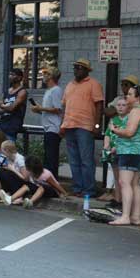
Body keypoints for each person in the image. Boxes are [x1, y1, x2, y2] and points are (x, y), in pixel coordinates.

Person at [60, 59, 104, 198]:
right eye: (75, 68)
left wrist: (97, 125)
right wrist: (62, 125)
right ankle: (77, 188)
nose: (77, 70)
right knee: (74, 160)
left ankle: (89, 190)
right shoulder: (69, 85)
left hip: (85, 126)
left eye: (80, 68)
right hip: (69, 125)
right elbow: (64, 106)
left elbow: (99, 105)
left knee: (86, 160)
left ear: (86, 71)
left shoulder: (94, 84)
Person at [108, 84, 140, 226]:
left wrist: (115, 130)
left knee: (124, 183)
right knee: (134, 184)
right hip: (138, 151)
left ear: (138, 97)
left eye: (131, 94)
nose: (127, 96)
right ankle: (135, 217)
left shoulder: (135, 111)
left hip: (130, 151)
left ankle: (125, 216)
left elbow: (129, 132)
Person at [30, 68, 63, 177]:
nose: (43, 76)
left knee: (51, 158)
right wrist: (39, 110)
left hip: (54, 127)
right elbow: (49, 111)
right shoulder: (48, 91)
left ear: (51, 76)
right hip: (47, 127)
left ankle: (53, 181)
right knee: (48, 157)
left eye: (46, 74)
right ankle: (48, 180)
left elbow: (58, 109)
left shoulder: (56, 90)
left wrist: (42, 108)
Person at [98, 97, 128, 204]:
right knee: (116, 177)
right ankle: (117, 199)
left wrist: (117, 147)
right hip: (112, 152)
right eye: (118, 105)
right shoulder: (113, 119)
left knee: (123, 179)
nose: (120, 107)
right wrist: (106, 144)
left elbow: (127, 135)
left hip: (123, 151)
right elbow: (107, 134)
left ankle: (124, 201)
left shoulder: (128, 120)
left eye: (123, 105)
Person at [0, 68, 27, 141]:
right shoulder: (7, 91)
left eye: (13, 75)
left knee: (7, 151)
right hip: (2, 125)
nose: (10, 76)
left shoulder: (22, 92)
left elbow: (11, 108)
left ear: (19, 77)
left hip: (12, 127)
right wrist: (6, 108)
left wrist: (3, 107)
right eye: (9, 74)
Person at [0, 140, 29, 205]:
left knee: (5, 173)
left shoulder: (20, 159)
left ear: (7, 150)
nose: (2, 153)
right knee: (2, 172)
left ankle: (19, 197)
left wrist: (13, 169)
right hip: (16, 180)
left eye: (3, 151)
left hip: (23, 183)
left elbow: (25, 178)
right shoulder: (9, 158)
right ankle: (7, 194)